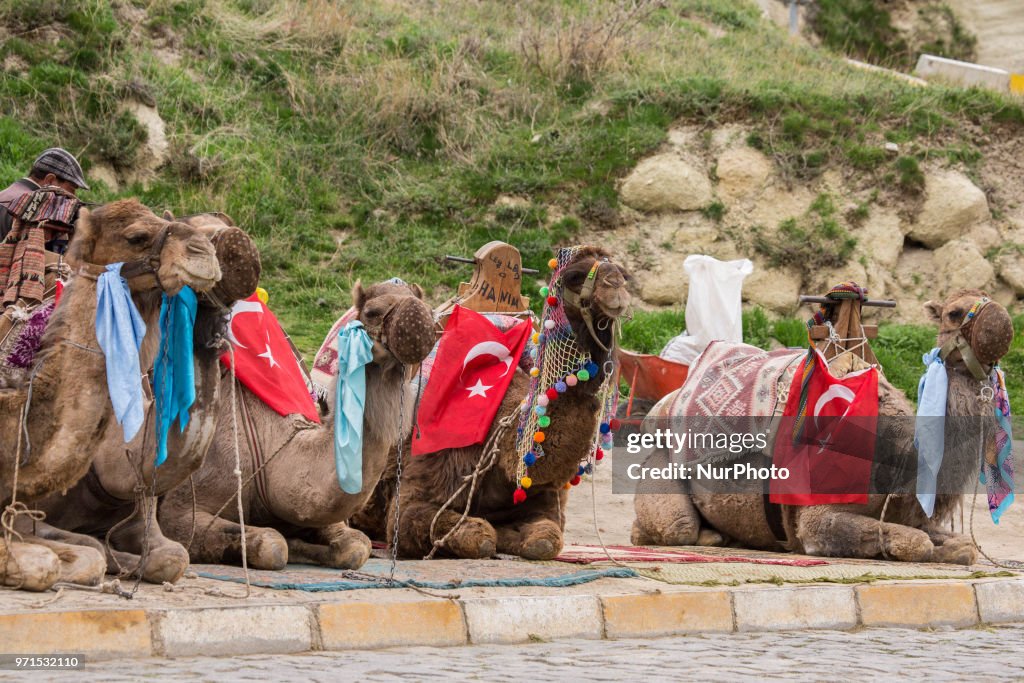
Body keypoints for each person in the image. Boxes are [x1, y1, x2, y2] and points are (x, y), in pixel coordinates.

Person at [0, 147, 90, 243]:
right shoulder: (38, 211)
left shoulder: (4, 194)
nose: (73, 196)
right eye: (72, 189)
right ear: (50, 180)